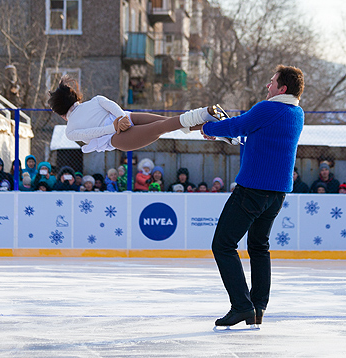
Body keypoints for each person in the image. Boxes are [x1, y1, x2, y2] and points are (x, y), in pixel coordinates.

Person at [201, 65, 304, 327]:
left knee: (223, 244)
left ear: (282, 88)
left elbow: (240, 124)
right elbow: (261, 137)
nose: (267, 86)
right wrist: (235, 135)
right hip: (277, 194)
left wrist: (210, 129)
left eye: (272, 82)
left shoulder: (267, 108)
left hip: (253, 190)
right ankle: (258, 307)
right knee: (259, 247)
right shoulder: (296, 113)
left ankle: (242, 306)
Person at [48, 76, 220, 153]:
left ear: (61, 113)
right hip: (127, 119)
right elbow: (111, 105)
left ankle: (205, 117)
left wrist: (116, 126)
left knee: (166, 126)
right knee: (169, 123)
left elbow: (92, 133)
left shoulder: (69, 130)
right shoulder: (94, 100)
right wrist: (122, 118)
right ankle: (210, 126)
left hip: (118, 136)